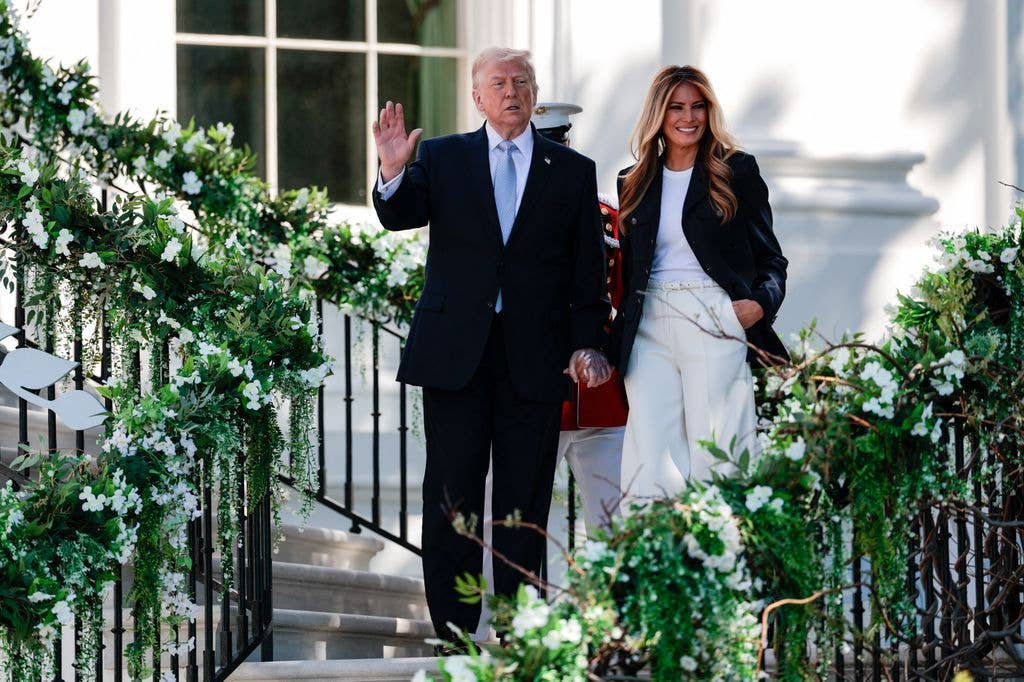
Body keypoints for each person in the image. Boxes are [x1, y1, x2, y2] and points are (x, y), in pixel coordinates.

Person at [371, 47, 612, 646]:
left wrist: (589, 346)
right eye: (499, 82)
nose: (512, 91)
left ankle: (517, 628)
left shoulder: (573, 170)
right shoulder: (444, 156)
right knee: (452, 492)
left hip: (535, 357)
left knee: (523, 498)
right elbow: (399, 215)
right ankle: (453, 630)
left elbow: (588, 276)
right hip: (456, 354)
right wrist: (393, 170)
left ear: (534, 93)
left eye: (522, 82)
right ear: (477, 96)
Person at [609, 65, 788, 505]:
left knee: (719, 455)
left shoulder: (735, 170)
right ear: (658, 113)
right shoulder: (632, 180)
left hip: (714, 316)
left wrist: (756, 306)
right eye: (676, 107)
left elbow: (771, 258)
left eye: (698, 107)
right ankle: (661, 568)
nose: (688, 117)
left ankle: (727, 564)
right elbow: (631, 267)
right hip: (649, 322)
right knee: (652, 460)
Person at [533, 102, 626, 535]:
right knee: (508, 521)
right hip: (532, 393)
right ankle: (499, 607)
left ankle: (614, 606)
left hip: (602, 396)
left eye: (557, 147)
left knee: (615, 525)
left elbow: (626, 297)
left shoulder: (608, 216)